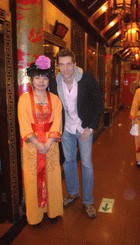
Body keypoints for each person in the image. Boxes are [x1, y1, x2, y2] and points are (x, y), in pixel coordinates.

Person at [54, 48, 103, 218]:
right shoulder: (55, 82)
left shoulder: (86, 78)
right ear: (58, 66)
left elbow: (98, 102)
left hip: (83, 128)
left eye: (69, 64)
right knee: (68, 161)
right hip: (66, 128)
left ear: (74, 64)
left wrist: (90, 128)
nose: (66, 68)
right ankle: (73, 192)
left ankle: (88, 200)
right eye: (62, 65)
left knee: (87, 163)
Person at [18, 55, 64, 225]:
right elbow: (24, 125)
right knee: (32, 181)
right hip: (32, 147)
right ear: (32, 79)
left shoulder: (55, 99)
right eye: (37, 77)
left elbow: (57, 122)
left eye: (45, 77)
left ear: (49, 79)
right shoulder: (23, 100)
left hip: (50, 146)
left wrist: (48, 143)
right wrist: (38, 144)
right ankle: (35, 216)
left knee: (52, 178)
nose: (41, 81)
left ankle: (53, 212)